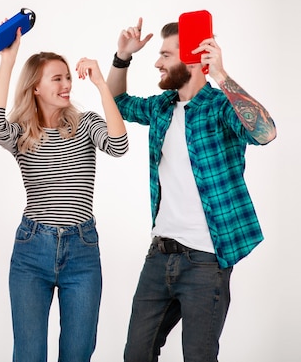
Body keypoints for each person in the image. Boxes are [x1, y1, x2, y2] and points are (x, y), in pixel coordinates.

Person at [106, 18, 277, 362]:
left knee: (199, 356)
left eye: (166, 55)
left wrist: (222, 74)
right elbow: (117, 101)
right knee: (136, 354)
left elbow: (265, 132)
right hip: (159, 256)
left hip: (205, 260)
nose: (157, 62)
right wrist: (122, 57)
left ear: (194, 60)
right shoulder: (162, 107)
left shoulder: (220, 107)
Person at [0, 29, 129, 362]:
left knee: (77, 354)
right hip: (32, 250)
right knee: (29, 355)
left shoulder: (86, 124)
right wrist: (8, 59)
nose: (66, 84)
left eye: (68, 77)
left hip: (82, 249)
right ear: (35, 87)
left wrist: (101, 85)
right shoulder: (22, 134)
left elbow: (119, 146)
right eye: (57, 79)